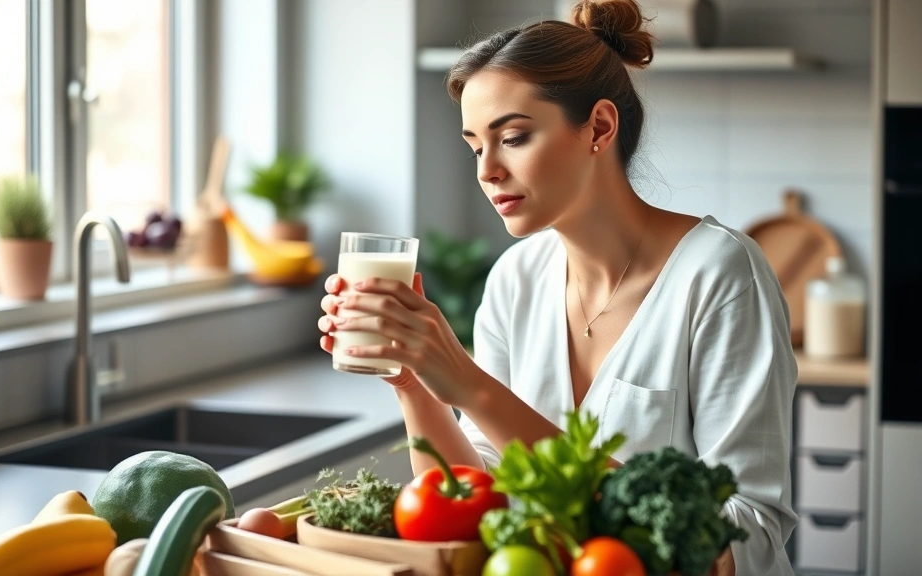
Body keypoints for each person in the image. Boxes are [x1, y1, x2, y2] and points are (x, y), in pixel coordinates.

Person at [317, 0, 797, 574]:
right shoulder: (515, 279)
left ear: (598, 127)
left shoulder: (719, 274)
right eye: (475, 146)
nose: (485, 170)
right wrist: (415, 385)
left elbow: (749, 533)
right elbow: (479, 502)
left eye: (513, 137)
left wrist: (470, 385)